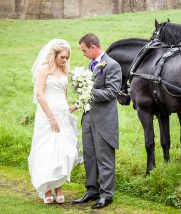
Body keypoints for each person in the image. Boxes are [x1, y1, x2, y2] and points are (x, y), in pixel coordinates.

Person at [71, 33, 122, 209]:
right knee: (90, 156)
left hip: (104, 120)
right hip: (88, 118)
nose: (83, 53)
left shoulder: (112, 65)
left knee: (104, 158)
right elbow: (87, 92)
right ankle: (92, 190)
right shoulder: (90, 65)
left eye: (84, 50)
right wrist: (77, 103)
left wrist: (87, 92)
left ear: (93, 47)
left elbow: (111, 92)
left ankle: (106, 195)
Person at [28, 39, 81, 204]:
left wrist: (70, 108)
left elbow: (64, 94)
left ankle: (58, 187)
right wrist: (51, 118)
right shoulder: (44, 69)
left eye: (67, 58)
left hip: (62, 113)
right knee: (47, 150)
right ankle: (48, 189)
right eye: (62, 57)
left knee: (63, 151)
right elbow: (39, 95)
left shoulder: (64, 69)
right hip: (47, 114)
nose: (65, 60)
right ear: (54, 55)